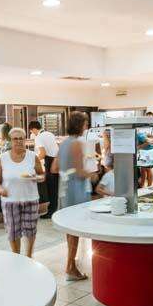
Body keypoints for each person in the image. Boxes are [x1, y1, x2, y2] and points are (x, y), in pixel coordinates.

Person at [52, 111, 94, 281]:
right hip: (75, 188)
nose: (86, 126)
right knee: (74, 228)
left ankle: (71, 264)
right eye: (85, 123)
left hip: (65, 187)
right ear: (79, 125)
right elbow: (79, 172)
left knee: (70, 228)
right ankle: (70, 267)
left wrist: (66, 170)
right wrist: (93, 173)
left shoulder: (63, 143)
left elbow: (54, 168)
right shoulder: (76, 143)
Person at [0, 128, 45, 257]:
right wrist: (0, 189)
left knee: (31, 230)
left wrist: (36, 178)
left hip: (30, 199)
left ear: (25, 140)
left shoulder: (33, 157)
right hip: (10, 201)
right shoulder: (3, 158)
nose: (18, 141)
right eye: (15, 139)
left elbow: (42, 175)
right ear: (11, 141)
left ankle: (29, 256)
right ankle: (16, 257)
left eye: (21, 138)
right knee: (13, 231)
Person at [29, 120, 60, 218]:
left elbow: (42, 154)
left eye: (31, 131)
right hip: (56, 160)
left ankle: (51, 212)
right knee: (55, 188)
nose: (32, 133)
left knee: (51, 188)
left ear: (34, 129)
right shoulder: (49, 133)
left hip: (50, 162)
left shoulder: (38, 137)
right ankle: (55, 209)